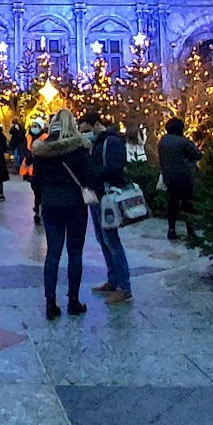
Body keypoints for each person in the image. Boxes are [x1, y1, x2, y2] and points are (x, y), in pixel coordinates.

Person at [28, 108, 103, 320]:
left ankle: (50, 302)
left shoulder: (41, 150)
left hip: (51, 205)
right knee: (75, 252)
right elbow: (91, 177)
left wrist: (42, 198)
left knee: (53, 253)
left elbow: (35, 181)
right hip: (75, 205)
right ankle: (73, 301)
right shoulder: (79, 148)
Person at [84, 109, 133, 303]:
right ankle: (113, 279)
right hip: (96, 197)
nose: (85, 134)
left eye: (86, 129)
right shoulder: (96, 143)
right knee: (102, 238)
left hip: (108, 196)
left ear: (96, 124)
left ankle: (124, 287)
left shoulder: (112, 142)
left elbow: (114, 168)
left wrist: (93, 174)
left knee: (111, 240)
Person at [157, 117, 203, 240]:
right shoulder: (183, 142)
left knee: (173, 203)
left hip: (169, 178)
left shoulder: (162, 141)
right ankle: (190, 231)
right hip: (184, 177)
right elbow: (197, 155)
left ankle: (171, 230)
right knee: (187, 204)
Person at [25, 117, 48, 224]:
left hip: (41, 169)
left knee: (40, 193)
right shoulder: (29, 137)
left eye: (36, 126)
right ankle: (38, 211)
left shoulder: (45, 138)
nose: (33, 128)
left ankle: (40, 212)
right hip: (32, 170)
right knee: (36, 192)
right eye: (33, 126)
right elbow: (25, 149)